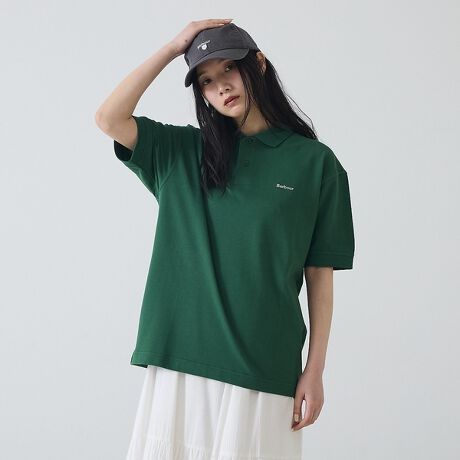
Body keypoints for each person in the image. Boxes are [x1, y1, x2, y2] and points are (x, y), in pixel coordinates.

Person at [95, 18, 355, 460]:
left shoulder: (316, 164)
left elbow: (319, 273)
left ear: (258, 64)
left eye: (229, 69)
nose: (221, 87)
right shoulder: (181, 153)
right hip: (181, 357)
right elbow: (108, 117)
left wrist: (315, 369)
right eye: (206, 81)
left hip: (264, 363)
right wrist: (174, 47)